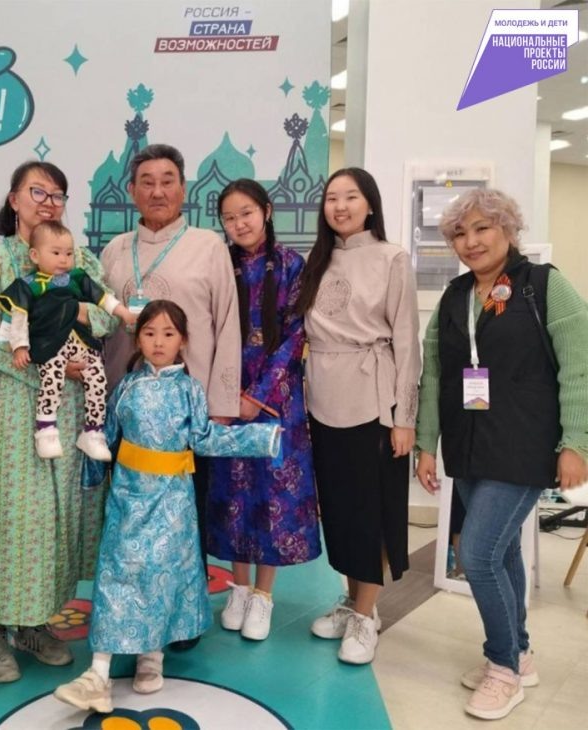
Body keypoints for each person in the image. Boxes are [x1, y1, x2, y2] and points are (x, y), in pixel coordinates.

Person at [53, 300, 280, 713]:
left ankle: (151, 656)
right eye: (150, 333)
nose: (159, 342)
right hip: (127, 499)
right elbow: (103, 436)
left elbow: (205, 438)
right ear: (137, 339)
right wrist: (89, 479)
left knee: (161, 577)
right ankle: (97, 674)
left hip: (173, 502)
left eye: (169, 334)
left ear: (183, 341)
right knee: (117, 572)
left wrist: (262, 438)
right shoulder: (126, 387)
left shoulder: (189, 390)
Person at [415, 188, 588, 721]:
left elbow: (579, 367)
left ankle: (503, 668)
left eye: (481, 229)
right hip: (468, 445)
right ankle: (520, 653)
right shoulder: (454, 297)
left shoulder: (544, 285)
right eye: (459, 234)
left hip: (524, 443)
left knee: (477, 554)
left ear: (508, 230)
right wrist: (425, 443)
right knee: (504, 550)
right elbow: (434, 373)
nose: (470, 242)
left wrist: (577, 443)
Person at [0, 161, 117, 682]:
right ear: (14, 199)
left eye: (58, 195)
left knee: (58, 516)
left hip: (70, 404)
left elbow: (105, 317)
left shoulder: (80, 258)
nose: (49, 202)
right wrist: (48, 363)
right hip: (14, 403)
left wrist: (68, 315)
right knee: (13, 514)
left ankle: (35, 622)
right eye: (38, 192)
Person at [100, 144, 241, 648]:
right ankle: (129, 615)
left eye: (167, 180)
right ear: (132, 190)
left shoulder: (208, 246)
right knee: (128, 522)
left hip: (186, 413)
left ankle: (179, 622)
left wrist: (221, 408)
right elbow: (100, 328)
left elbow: (227, 325)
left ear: (183, 188)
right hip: (129, 412)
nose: (157, 191)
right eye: (147, 181)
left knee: (184, 521)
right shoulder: (115, 251)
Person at [296, 167, 420, 665]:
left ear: (370, 204)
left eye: (351, 197)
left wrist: (404, 416)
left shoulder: (392, 257)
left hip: (374, 399)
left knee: (370, 509)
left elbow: (407, 342)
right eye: (332, 198)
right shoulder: (318, 260)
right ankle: (352, 602)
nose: (340, 206)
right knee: (340, 509)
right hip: (323, 399)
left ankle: (368, 615)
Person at [208, 179, 321, 641]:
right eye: (229, 218)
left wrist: (258, 395)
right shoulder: (221, 263)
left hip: (278, 399)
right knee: (232, 491)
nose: (239, 224)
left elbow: (296, 334)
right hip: (226, 393)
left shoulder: (292, 264)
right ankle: (238, 588)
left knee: (271, 493)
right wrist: (226, 394)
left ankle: (263, 595)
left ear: (267, 211)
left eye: (246, 213)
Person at [0, 220, 136, 460]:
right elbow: (18, 317)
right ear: (35, 255)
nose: (64, 260)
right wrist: (20, 346)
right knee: (52, 377)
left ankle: (93, 431)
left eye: (69, 253)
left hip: (79, 339)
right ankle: (46, 429)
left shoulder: (77, 278)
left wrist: (124, 313)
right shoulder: (27, 285)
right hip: (50, 343)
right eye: (56, 253)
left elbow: (103, 298)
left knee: (97, 377)